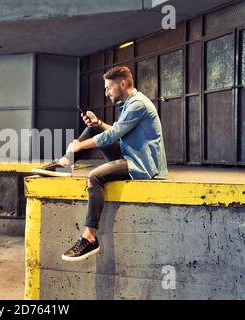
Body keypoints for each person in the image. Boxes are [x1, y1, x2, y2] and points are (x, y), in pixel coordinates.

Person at [32, 66, 168, 262]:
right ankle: (65, 163)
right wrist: (98, 123)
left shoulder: (138, 104)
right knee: (95, 128)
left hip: (142, 164)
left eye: (108, 88)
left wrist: (79, 145)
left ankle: (89, 237)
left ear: (122, 84)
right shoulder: (128, 103)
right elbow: (116, 132)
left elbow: (112, 136)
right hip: (128, 154)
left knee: (94, 176)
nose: (106, 93)